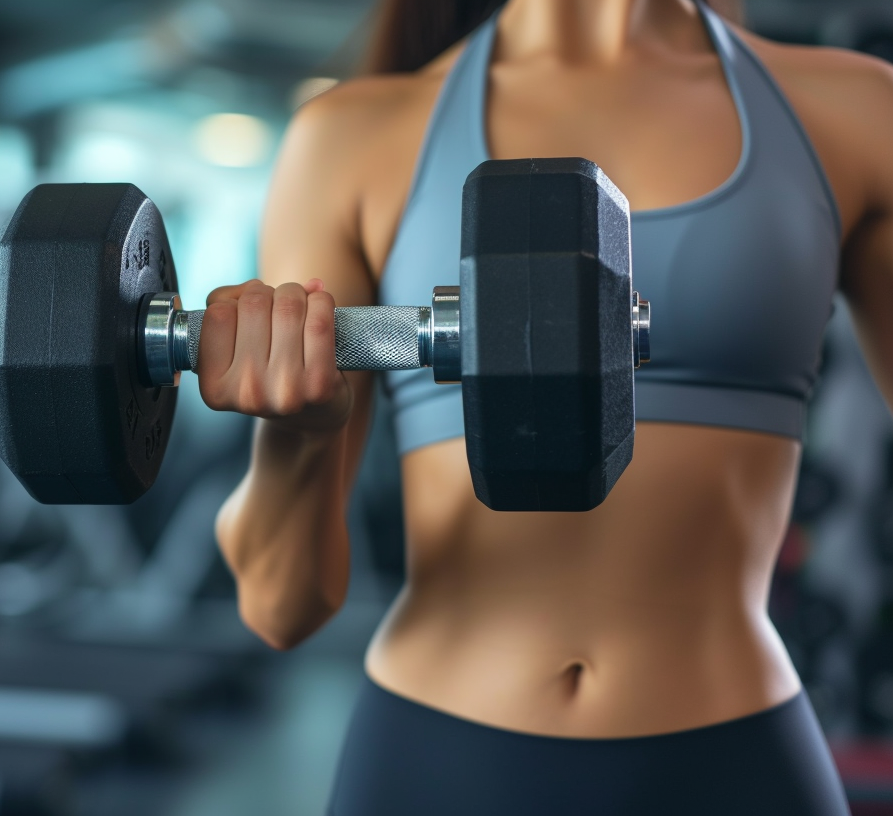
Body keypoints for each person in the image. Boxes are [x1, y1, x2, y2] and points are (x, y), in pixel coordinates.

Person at [203, 0, 893, 812]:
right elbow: (280, 608)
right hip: (438, 760)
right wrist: (299, 434)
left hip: (732, 758)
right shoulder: (353, 137)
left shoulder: (854, 112)